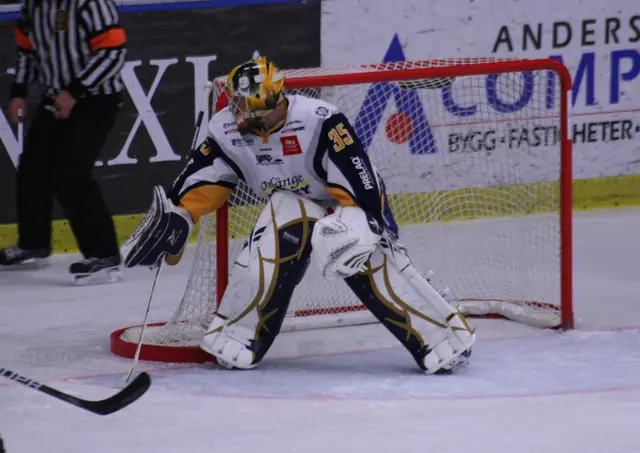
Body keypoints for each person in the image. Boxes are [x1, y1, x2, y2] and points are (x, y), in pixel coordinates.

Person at [121, 57, 475, 374]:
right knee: (278, 221)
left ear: (275, 101)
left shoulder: (320, 120)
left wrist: (359, 220)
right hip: (294, 202)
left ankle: (442, 336)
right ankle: (239, 336)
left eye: (251, 107)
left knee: (349, 245)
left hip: (347, 204)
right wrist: (180, 215)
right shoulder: (225, 129)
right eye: (238, 104)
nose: (241, 113)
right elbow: (202, 178)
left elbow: (361, 180)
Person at [0, 0, 127, 285]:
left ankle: (104, 254)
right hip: (56, 98)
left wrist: (74, 92)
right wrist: (19, 91)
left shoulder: (90, 3)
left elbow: (113, 52)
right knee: (33, 167)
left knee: (71, 173)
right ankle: (34, 244)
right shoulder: (33, 5)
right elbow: (27, 50)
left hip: (96, 99)